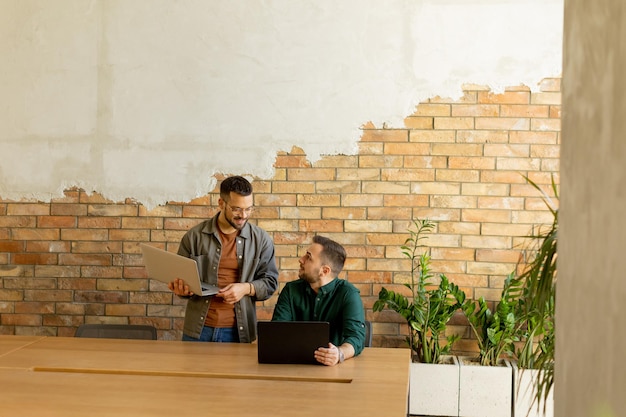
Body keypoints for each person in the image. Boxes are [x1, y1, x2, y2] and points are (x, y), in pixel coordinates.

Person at [168, 175, 279, 343]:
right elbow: (181, 280)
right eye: (236, 209)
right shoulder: (194, 237)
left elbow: (270, 284)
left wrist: (246, 288)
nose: (243, 215)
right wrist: (181, 289)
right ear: (221, 203)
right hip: (198, 331)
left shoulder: (261, 239)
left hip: (238, 332)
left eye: (248, 209)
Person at [271, 235, 366, 366]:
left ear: (324, 270)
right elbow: (277, 332)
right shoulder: (290, 290)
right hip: (294, 366)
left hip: (336, 371)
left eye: (308, 257)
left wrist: (339, 353)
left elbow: (356, 337)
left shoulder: (348, 294)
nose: (301, 260)